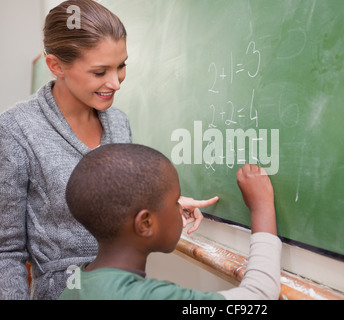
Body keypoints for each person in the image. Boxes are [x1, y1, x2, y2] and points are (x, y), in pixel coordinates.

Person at [0, 0, 216, 300]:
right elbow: (5, 251)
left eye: (121, 66)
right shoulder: (15, 130)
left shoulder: (118, 122)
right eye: (100, 72)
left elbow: (118, 203)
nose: (115, 83)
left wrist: (165, 203)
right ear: (56, 66)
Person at [59, 143, 281, 300]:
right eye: (176, 201)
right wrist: (261, 208)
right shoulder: (147, 297)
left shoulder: (76, 284)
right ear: (145, 223)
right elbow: (257, 298)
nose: (180, 207)